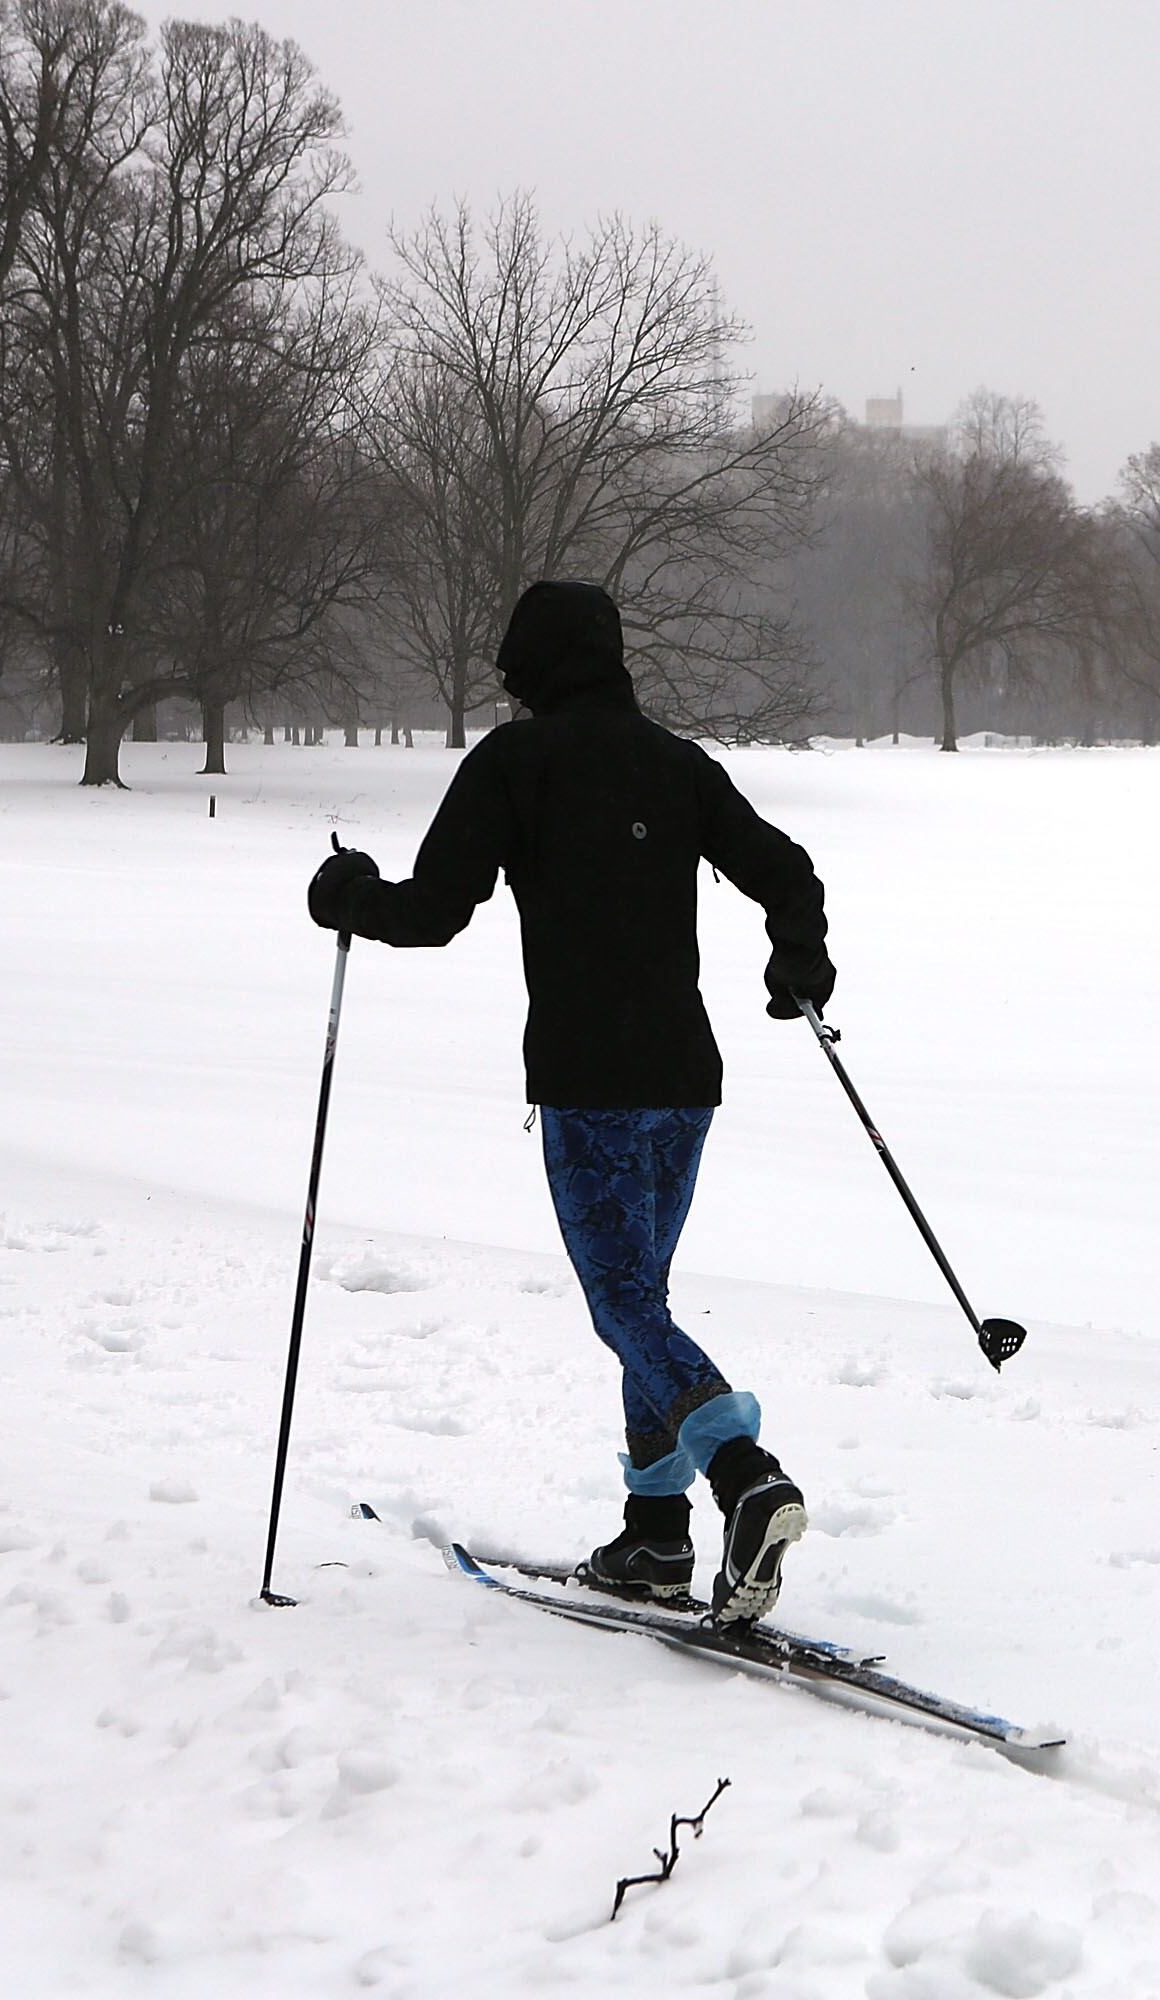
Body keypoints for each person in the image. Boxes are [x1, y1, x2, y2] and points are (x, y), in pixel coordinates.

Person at [306, 580, 833, 1626]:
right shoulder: (676, 764)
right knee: (645, 1303)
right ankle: (654, 1534)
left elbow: (433, 913)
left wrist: (344, 895)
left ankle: (744, 1474)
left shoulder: (514, 762)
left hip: (591, 1084)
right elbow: (788, 873)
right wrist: (800, 959)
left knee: (623, 1304)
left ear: (531, 668)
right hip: (684, 1082)